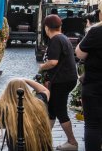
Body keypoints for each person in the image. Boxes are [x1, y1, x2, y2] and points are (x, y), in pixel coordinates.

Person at [39, 14, 78, 150]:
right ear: (60, 26)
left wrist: (42, 67)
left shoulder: (56, 39)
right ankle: (44, 140)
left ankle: (72, 142)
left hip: (62, 80)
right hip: (66, 79)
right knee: (51, 110)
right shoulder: (63, 38)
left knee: (60, 111)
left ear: (46, 27)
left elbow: (53, 62)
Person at [0, 78, 52, 151]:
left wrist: (6, 96)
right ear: (26, 89)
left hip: (15, 147)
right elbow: (45, 90)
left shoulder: (5, 108)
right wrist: (26, 80)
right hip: (40, 146)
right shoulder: (38, 103)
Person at [75, 3, 102, 151]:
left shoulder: (96, 32)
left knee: (93, 125)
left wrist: (90, 30)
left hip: (95, 85)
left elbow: (79, 53)